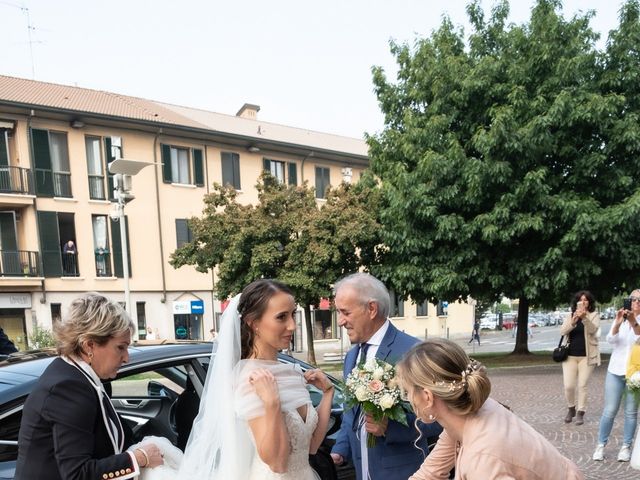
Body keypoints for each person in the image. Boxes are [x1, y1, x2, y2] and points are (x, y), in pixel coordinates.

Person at [141, 279, 334, 479]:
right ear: (254, 323)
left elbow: (310, 446)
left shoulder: (291, 371)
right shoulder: (249, 378)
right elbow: (277, 463)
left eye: (293, 314)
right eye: (281, 317)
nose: (292, 326)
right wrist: (272, 404)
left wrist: (328, 393)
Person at [14, 292, 164, 480]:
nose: (127, 358)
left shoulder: (74, 375)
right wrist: (138, 458)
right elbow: (77, 474)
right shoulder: (69, 387)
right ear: (89, 346)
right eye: (121, 347)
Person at [398, 338, 583, 479]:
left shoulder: (482, 460)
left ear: (428, 397)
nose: (408, 399)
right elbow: (430, 471)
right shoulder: (465, 414)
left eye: (408, 392)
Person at [330, 273, 442, 480]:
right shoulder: (352, 356)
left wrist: (391, 428)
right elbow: (351, 412)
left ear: (371, 309)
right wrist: (341, 448)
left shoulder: (414, 351)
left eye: (345, 312)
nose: (340, 322)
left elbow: (441, 418)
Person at [592, 290, 640, 462]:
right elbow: (611, 340)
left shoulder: (637, 321)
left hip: (635, 373)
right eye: (633, 299)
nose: (635, 302)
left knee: (631, 412)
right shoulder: (621, 317)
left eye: (639, 300)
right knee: (609, 410)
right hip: (615, 370)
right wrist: (618, 323)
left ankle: (626, 447)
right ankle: (600, 445)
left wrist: (634, 322)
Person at [560, 290, 601, 425]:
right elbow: (562, 331)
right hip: (570, 356)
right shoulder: (571, 315)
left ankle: (580, 412)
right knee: (569, 386)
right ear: (577, 302)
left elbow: (592, 330)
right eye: (580, 300)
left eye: (586, 300)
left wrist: (584, 318)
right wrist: (573, 321)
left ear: (589, 303)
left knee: (582, 385)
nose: (583, 302)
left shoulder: (594, 315)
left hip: (587, 357)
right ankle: (571, 408)